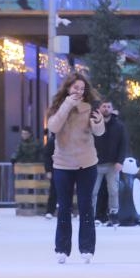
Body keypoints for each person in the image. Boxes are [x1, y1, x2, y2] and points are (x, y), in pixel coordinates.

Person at [46, 72, 105, 263]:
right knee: (64, 207)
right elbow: (53, 128)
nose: (79, 91)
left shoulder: (89, 108)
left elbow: (99, 131)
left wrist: (98, 123)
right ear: (68, 88)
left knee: (86, 205)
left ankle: (87, 248)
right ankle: (62, 249)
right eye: (75, 88)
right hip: (62, 164)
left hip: (86, 163)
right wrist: (67, 105)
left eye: (82, 88)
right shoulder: (57, 107)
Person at [91, 99, 127, 227]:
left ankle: (113, 214)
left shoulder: (119, 126)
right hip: (95, 164)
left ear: (112, 109)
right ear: (99, 108)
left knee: (113, 190)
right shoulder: (93, 123)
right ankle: (91, 215)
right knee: (93, 191)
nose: (106, 108)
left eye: (108, 106)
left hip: (112, 164)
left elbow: (123, 144)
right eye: (104, 106)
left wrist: (120, 161)